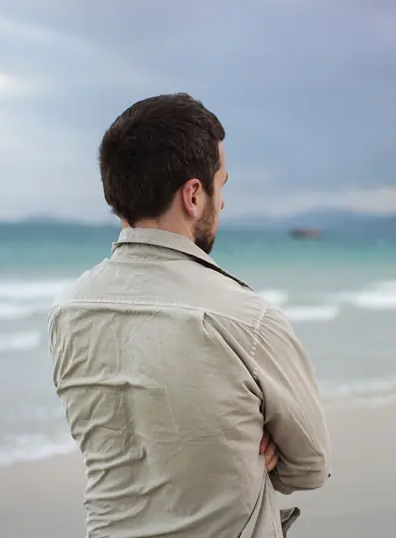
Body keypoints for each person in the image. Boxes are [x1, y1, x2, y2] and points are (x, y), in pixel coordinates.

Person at [47, 93, 331, 537]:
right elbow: (310, 466)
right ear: (194, 195)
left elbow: (115, 448)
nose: (224, 203)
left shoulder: (68, 311)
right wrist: (247, 453)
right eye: (222, 184)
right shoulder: (247, 320)